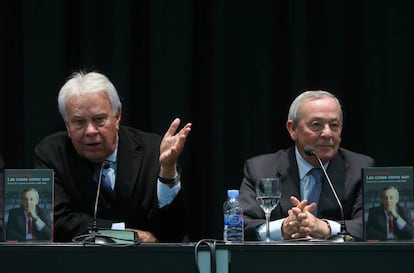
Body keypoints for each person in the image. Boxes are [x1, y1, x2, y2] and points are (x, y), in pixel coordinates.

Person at [34, 71, 192, 242]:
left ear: (117, 117)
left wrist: (168, 170)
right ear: (67, 125)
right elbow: (56, 222)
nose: (90, 131)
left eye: (99, 119)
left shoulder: (154, 151)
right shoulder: (52, 153)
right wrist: (123, 234)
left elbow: (173, 231)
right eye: (79, 122)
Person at [240, 90, 375, 241]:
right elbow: (241, 225)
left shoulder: (360, 168)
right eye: (316, 125)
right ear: (293, 129)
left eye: (334, 125)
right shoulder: (261, 169)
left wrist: (325, 228)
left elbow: (372, 225)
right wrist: (283, 228)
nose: (327, 133)